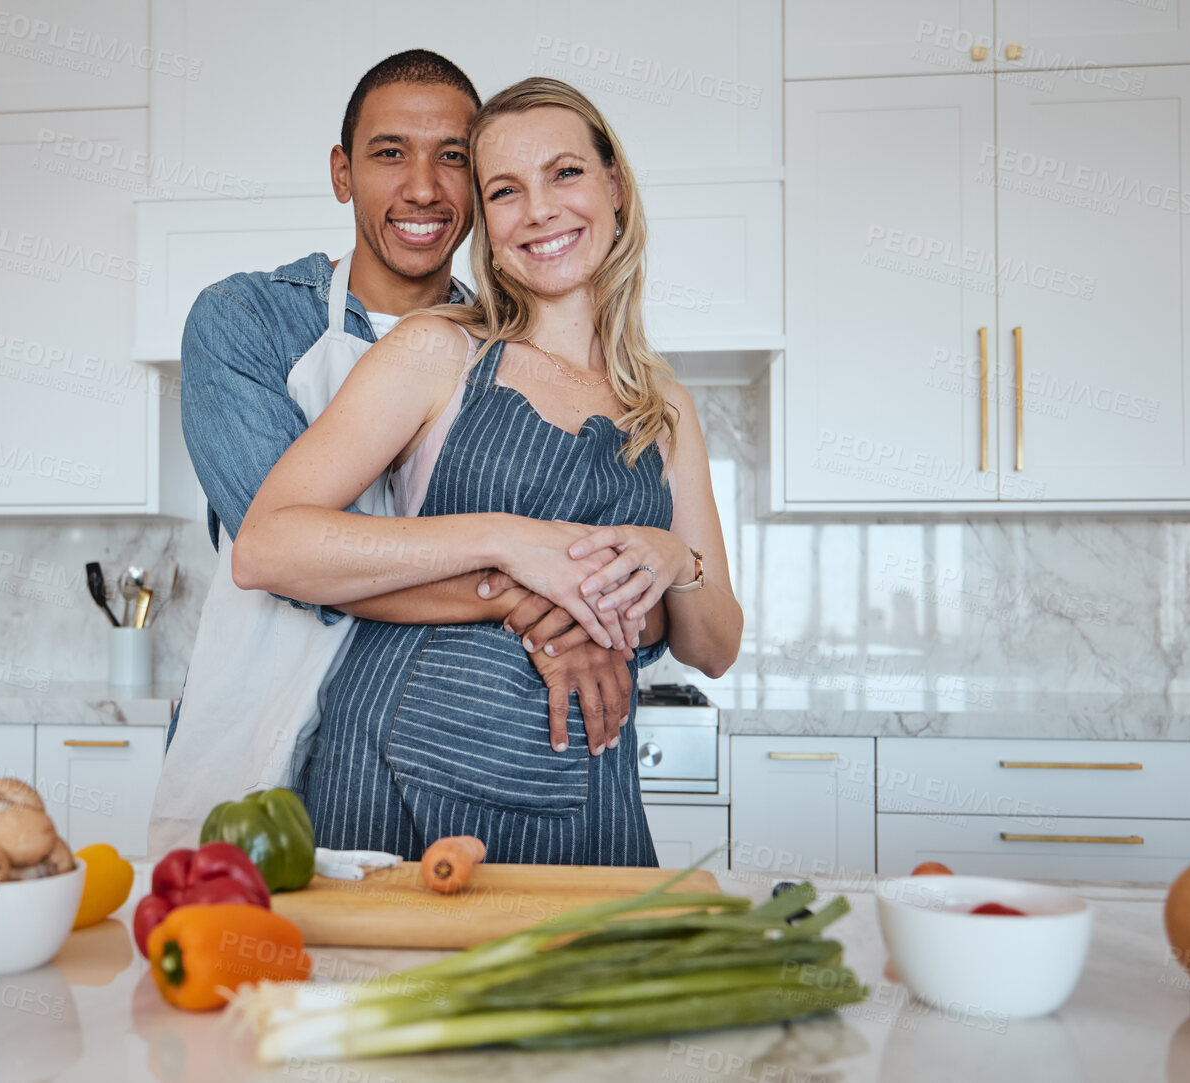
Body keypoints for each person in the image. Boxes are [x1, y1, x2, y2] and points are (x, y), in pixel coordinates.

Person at [146, 54, 663, 855]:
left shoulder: (509, 358)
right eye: (389, 152)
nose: (423, 187)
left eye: (453, 156)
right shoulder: (244, 319)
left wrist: (653, 565)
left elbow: (620, 572)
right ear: (342, 173)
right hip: (263, 711)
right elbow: (286, 556)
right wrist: (533, 597)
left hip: (434, 739)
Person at [233, 77, 743, 865]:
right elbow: (267, 547)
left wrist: (678, 560)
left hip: (581, 785)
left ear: (613, 185)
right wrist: (510, 543)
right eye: (505, 190)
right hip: (395, 773)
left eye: (564, 173)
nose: (538, 209)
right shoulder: (439, 352)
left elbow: (713, 647)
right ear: (488, 225)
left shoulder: (663, 407)